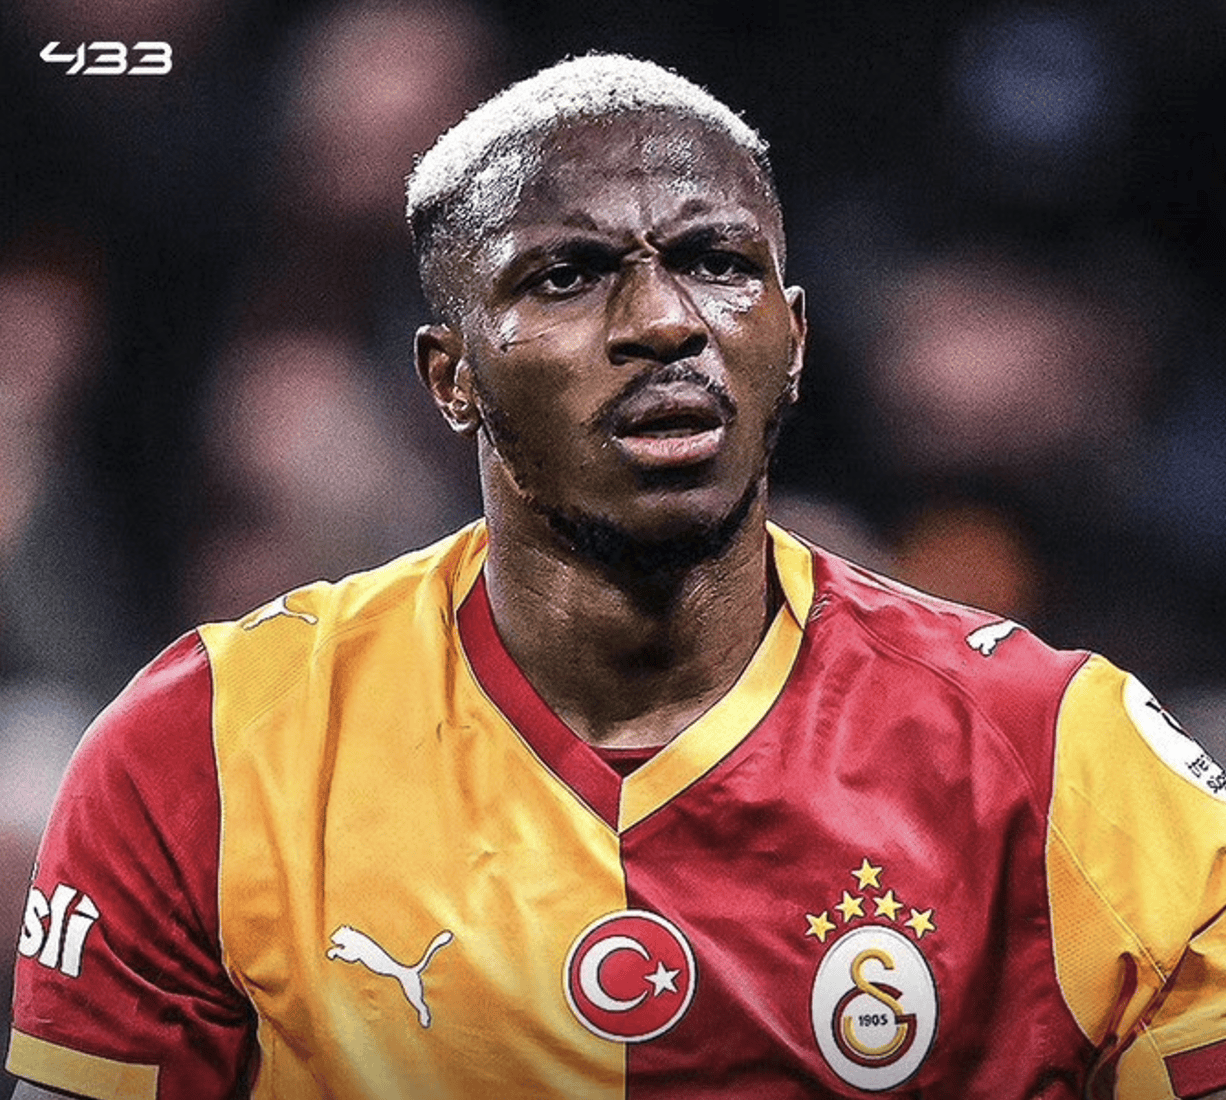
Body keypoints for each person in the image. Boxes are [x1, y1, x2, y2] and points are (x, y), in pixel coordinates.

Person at [7, 54, 1226, 1100]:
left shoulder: (1062, 757)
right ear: (450, 376)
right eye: (566, 274)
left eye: (716, 261)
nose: (662, 321)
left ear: (793, 341)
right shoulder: (210, 748)